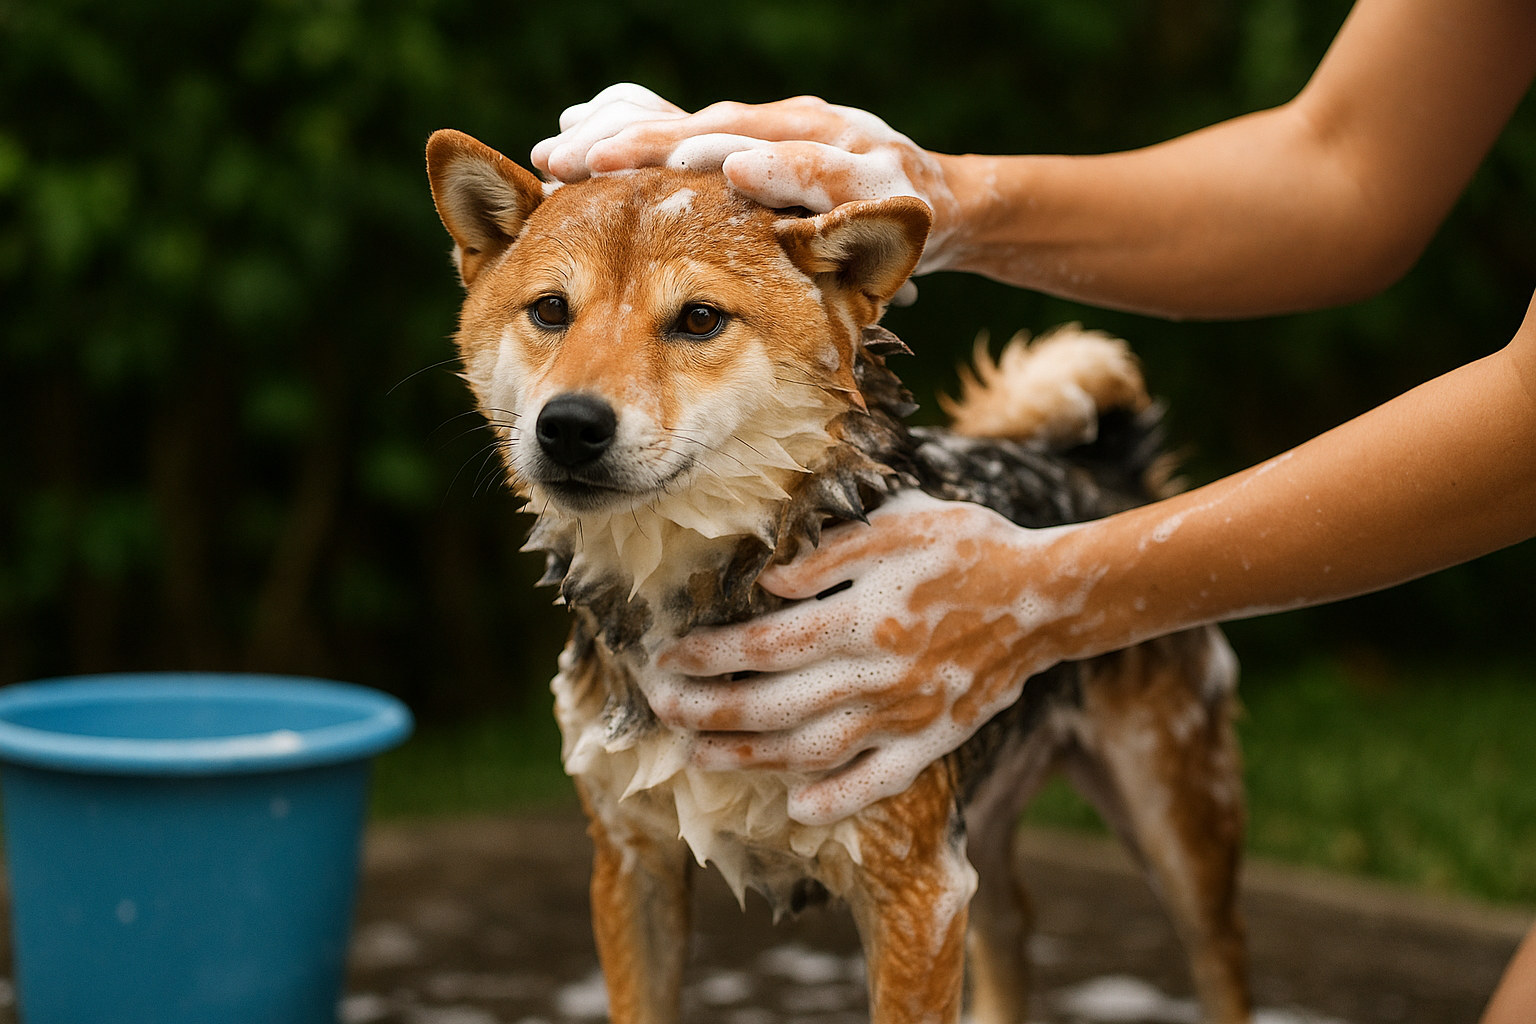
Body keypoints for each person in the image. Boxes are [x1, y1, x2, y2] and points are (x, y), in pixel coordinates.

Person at [533, 1, 1536, 1017]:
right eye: (549, 312)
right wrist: (954, 193)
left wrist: (1055, 590)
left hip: (1106, 606)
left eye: (697, 318)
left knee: (1196, 906)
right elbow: (1346, 162)